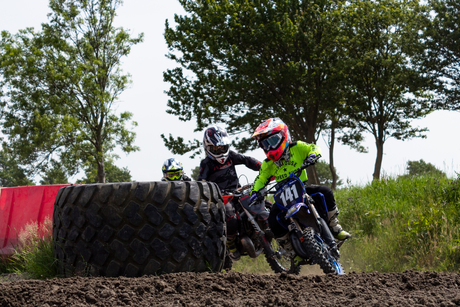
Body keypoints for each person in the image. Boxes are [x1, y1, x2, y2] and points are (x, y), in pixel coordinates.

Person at [250, 118, 351, 257]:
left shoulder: (297, 147)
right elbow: (261, 179)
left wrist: (312, 155)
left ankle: (334, 227)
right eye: (264, 145)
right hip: (282, 196)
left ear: (284, 136)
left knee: (325, 192)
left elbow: (313, 147)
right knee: (272, 219)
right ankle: (290, 250)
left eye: (272, 142)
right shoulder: (268, 164)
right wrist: (256, 192)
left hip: (301, 188)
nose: (269, 148)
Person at [197, 124, 262, 260]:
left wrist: (263, 167)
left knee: (262, 202)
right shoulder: (206, 164)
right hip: (222, 198)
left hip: (238, 192)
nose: (220, 151)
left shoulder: (231, 156)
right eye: (216, 148)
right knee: (230, 215)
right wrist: (207, 190)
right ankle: (230, 243)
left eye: (222, 147)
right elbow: (201, 182)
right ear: (208, 147)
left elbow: (246, 160)